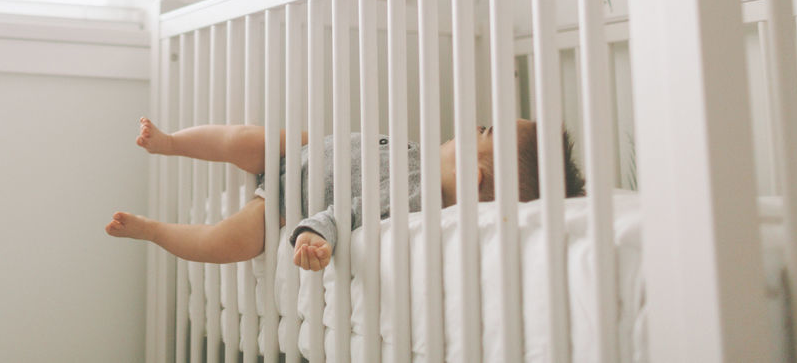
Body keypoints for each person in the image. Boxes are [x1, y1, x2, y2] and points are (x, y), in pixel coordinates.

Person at [105, 116, 585, 271]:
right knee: (244, 139)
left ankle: (152, 231)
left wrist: (313, 236)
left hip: (290, 197)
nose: (467, 127)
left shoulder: (415, 199)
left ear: (474, 178)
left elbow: (351, 210)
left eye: (481, 131)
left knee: (230, 241)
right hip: (304, 152)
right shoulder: (416, 155)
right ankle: (170, 143)